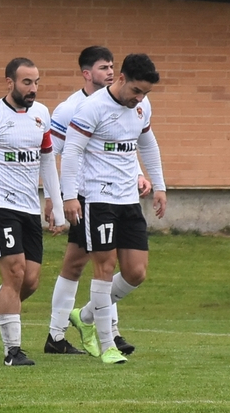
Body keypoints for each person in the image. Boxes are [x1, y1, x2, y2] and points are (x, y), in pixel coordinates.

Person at [43, 46, 151, 356]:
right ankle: (61, 334)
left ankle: (99, 327)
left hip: (117, 195)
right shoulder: (71, 109)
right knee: (82, 263)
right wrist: (56, 197)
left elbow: (124, 145)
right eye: (103, 67)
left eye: (112, 66)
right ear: (87, 73)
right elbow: (54, 155)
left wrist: (139, 174)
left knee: (97, 261)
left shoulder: (129, 104)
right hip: (86, 196)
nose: (109, 71)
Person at [61, 53, 166, 365]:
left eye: (145, 93)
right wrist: (69, 196)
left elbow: (148, 144)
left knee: (136, 272)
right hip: (98, 199)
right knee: (104, 268)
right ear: (121, 79)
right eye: (136, 91)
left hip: (128, 200)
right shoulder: (92, 108)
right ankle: (108, 345)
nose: (140, 98)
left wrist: (159, 186)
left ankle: (85, 316)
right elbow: (72, 151)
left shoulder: (142, 107)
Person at [0, 58, 66, 367]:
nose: (33, 88)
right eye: (26, 82)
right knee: (14, 273)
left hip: (29, 207)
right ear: (10, 83)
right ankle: (13, 352)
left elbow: (47, 161)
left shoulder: (41, 114)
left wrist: (56, 204)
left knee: (29, 281)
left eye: (36, 82)